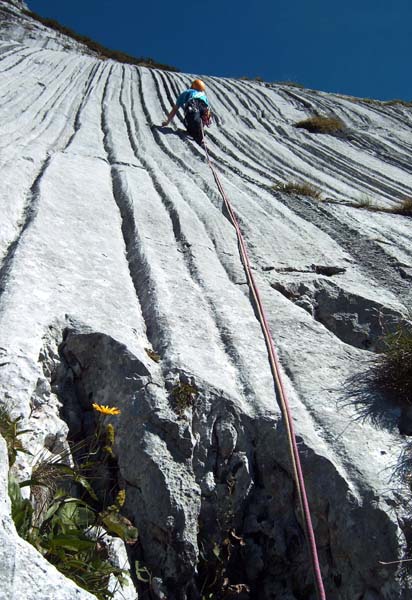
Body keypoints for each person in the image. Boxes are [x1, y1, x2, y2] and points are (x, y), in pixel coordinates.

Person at [162, 79, 211, 145]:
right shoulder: (203, 95)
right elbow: (207, 109)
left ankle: (195, 132)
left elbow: (175, 109)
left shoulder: (188, 92)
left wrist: (167, 122)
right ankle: (199, 133)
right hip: (204, 106)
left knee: (190, 119)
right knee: (200, 119)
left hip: (193, 103)